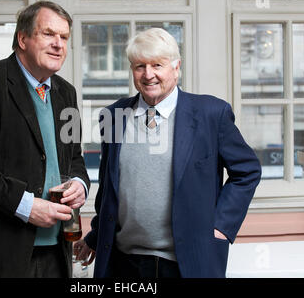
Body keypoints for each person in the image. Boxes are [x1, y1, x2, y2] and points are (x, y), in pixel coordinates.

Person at [75, 28, 261, 278]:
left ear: (176, 67)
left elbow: (247, 171)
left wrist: (222, 226)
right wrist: (96, 236)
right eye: (140, 66)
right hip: (123, 263)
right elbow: (109, 189)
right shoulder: (113, 115)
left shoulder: (211, 113)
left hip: (187, 263)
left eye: (157, 65)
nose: (148, 74)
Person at [0, 0, 90, 278]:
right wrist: (25, 206)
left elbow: (74, 158)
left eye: (64, 37)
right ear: (23, 38)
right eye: (48, 34)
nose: (58, 44)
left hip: (56, 252)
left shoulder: (67, 94)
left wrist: (79, 184)